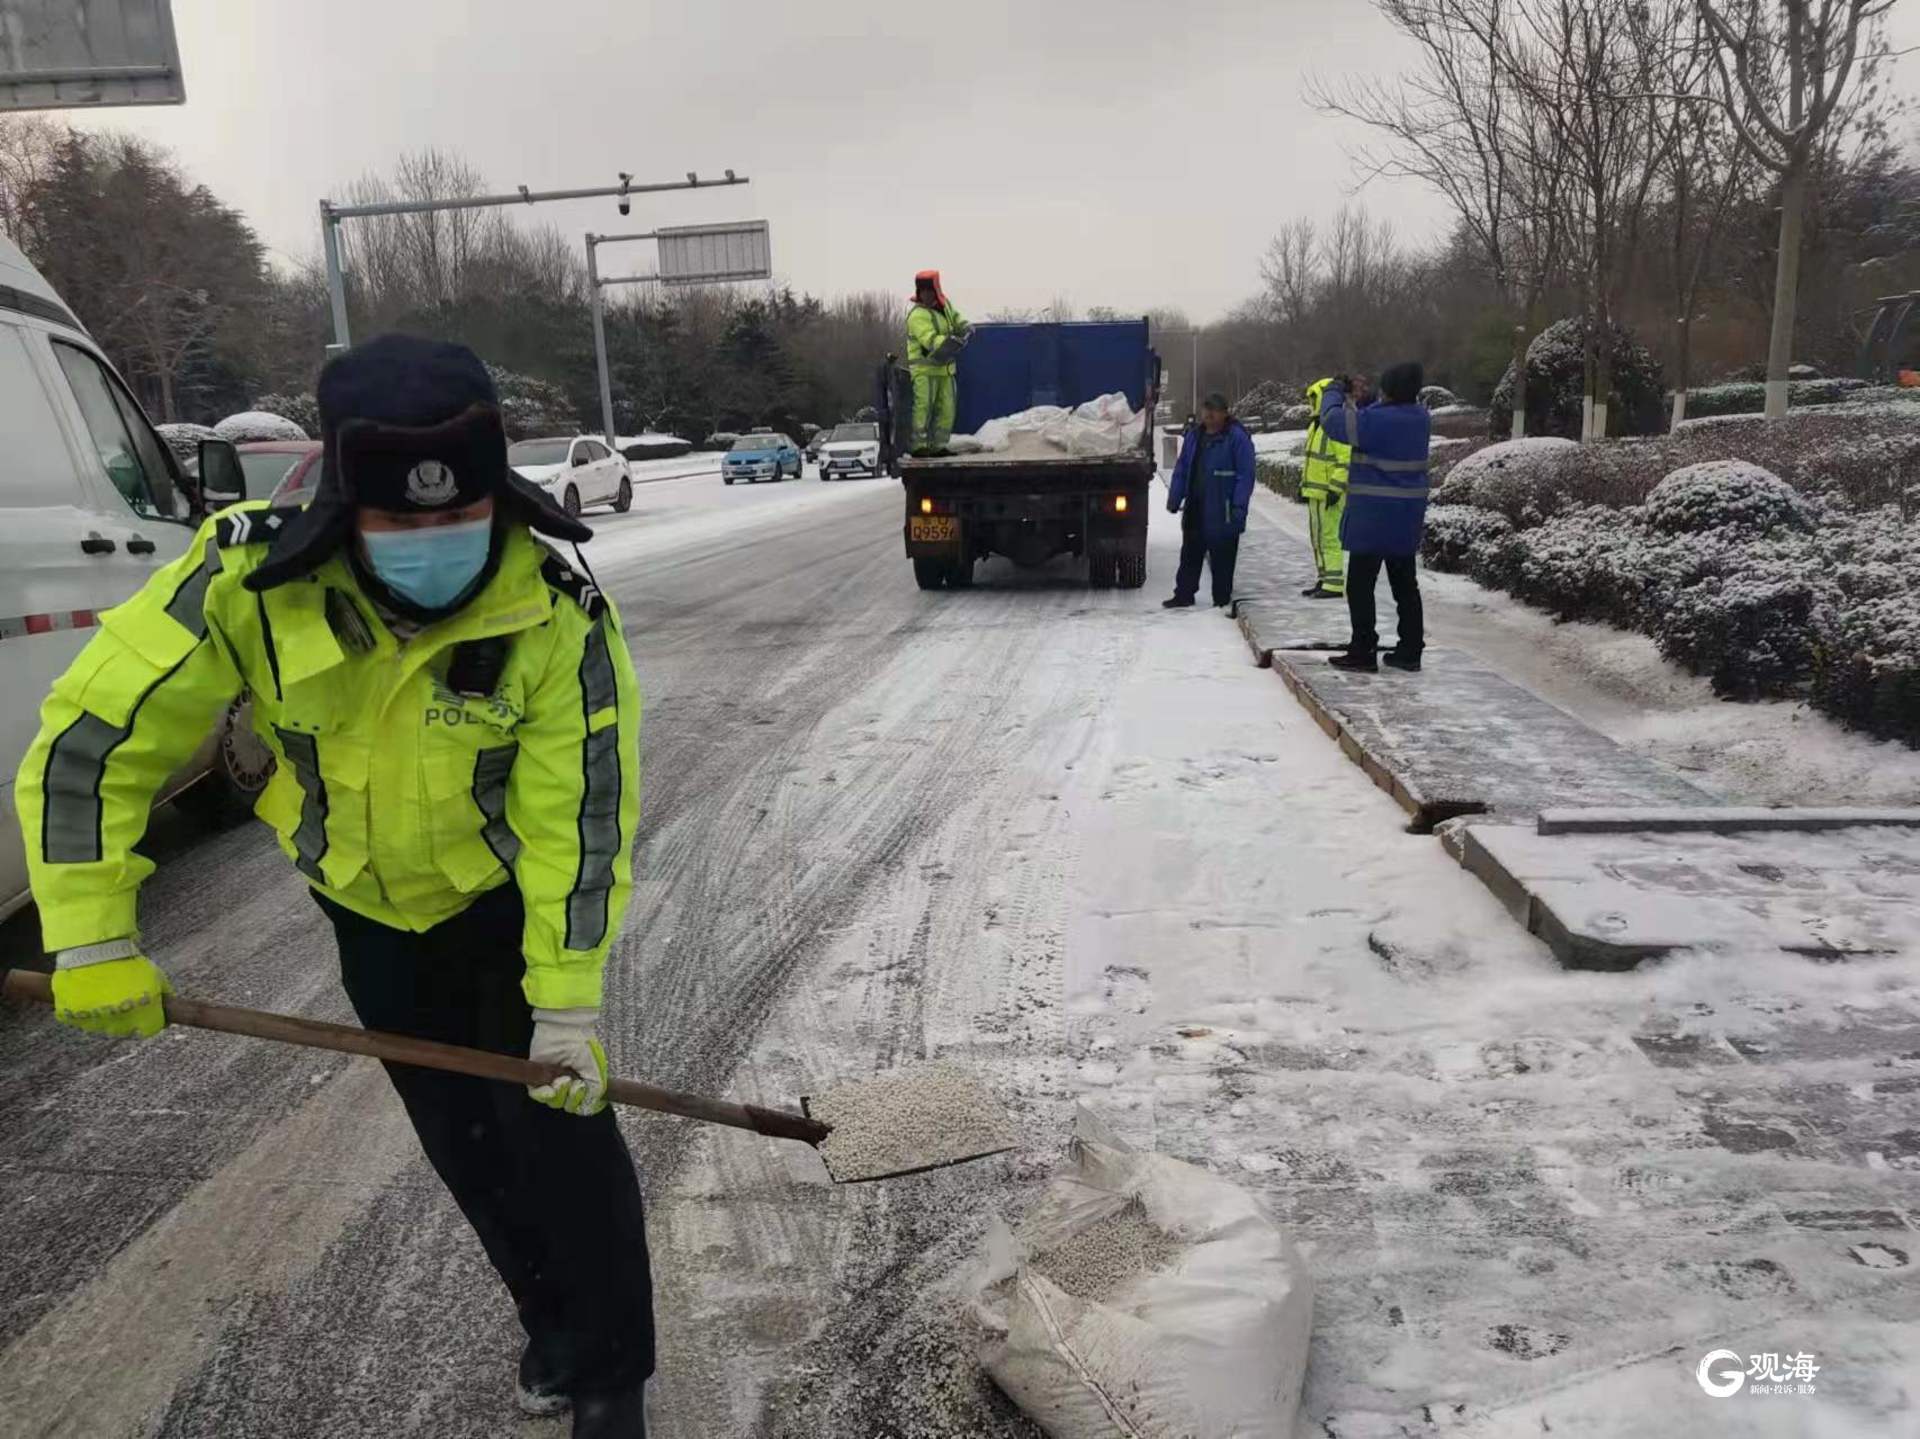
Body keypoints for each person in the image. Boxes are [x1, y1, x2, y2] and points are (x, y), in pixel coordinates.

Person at [17, 335, 652, 1437]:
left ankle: (609, 1372)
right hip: (364, 910)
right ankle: (551, 1329)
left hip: (501, 903)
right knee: (464, 1140)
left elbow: (580, 825)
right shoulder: (242, 581)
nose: (432, 545)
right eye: (399, 525)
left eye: (457, 520)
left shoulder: (554, 613)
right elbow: (92, 741)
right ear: (342, 510)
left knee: (562, 1139)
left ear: (497, 497)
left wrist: (567, 1002)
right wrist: (88, 934)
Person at [1317, 361, 1432, 672]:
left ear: (1390, 389)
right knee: (1405, 586)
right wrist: (1364, 399)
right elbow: (1374, 420)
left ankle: (1363, 650)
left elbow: (1331, 421)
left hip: (1374, 518)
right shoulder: (1420, 417)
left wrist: (1334, 390)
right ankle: (1410, 651)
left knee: (1360, 586)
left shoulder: (1376, 422)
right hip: (1406, 517)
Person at [1164, 391, 1256, 609]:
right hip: (1196, 506)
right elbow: (1182, 468)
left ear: (1225, 413)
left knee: (1223, 558)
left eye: (1214, 411)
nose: (1209, 415)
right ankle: (1184, 594)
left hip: (1223, 509)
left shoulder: (1237, 438)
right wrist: (1175, 497)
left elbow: (1246, 475)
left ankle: (1221, 599)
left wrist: (1238, 507)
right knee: (1190, 553)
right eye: (1206, 411)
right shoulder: (1195, 436)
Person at [905, 270, 970, 456]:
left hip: (945, 369)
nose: (925, 295)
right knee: (923, 407)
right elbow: (929, 339)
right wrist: (951, 340)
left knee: (947, 409)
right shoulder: (917, 315)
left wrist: (964, 326)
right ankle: (919, 446)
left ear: (936, 290)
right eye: (922, 291)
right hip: (924, 370)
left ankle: (938, 445)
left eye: (929, 290)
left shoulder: (944, 305)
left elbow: (956, 318)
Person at [1298, 376, 1350, 599]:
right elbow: (1311, 461)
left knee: (1330, 538)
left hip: (1330, 494)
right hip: (1316, 493)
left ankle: (1335, 584)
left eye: (1313, 398)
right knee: (1317, 538)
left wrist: (1335, 489)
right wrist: (1303, 487)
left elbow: (1345, 460)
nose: (1310, 403)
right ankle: (1325, 578)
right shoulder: (1315, 426)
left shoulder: (1334, 426)